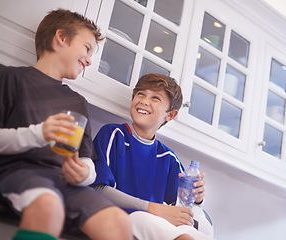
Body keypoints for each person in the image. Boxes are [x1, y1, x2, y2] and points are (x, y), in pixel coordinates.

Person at [0, 9, 131, 240]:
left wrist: (83, 174)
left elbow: (86, 160)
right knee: (48, 206)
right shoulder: (10, 79)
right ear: (61, 38)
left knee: (119, 223)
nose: (89, 59)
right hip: (15, 172)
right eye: (86, 48)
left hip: (65, 183)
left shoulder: (78, 102)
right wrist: (39, 133)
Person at [91, 73, 214, 240]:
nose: (144, 100)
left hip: (153, 226)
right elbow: (98, 188)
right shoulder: (114, 134)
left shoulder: (168, 158)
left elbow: (181, 205)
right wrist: (152, 208)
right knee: (141, 217)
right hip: (123, 220)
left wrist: (197, 198)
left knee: (204, 229)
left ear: (170, 115)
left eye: (155, 98)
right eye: (140, 94)